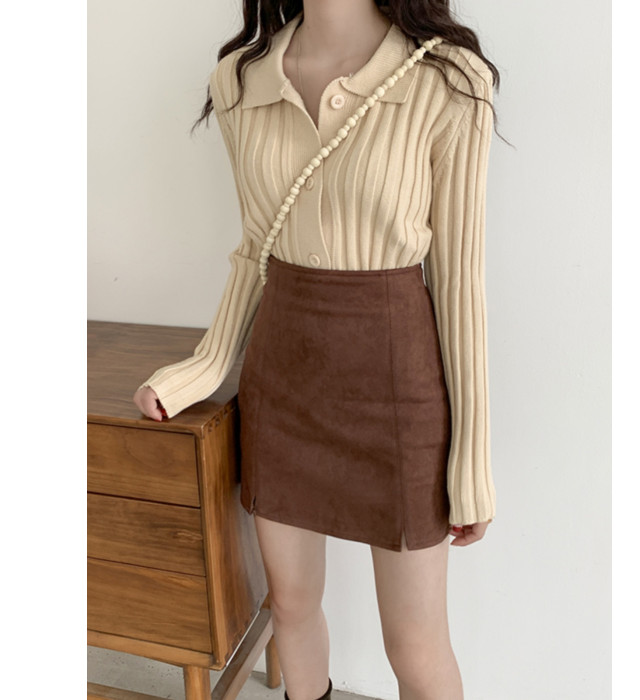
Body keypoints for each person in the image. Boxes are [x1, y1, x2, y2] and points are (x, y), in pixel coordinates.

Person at [133, 2, 502, 698]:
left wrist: (471, 461)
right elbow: (255, 249)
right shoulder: (240, 80)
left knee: (415, 643)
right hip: (283, 381)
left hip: (398, 387)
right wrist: (201, 370)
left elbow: (460, 281)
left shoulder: (449, 80)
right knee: (292, 607)